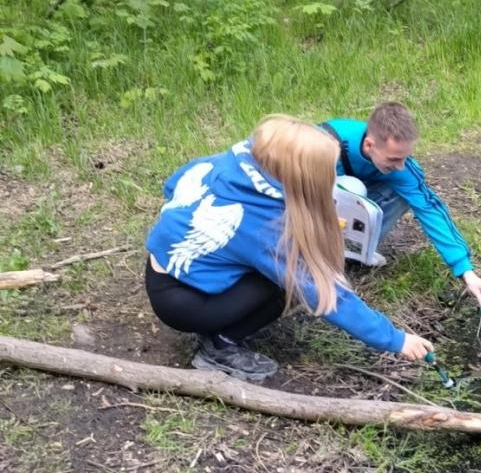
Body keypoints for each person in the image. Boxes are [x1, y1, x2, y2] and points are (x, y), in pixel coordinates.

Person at [145, 115, 433, 381]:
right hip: (183, 302)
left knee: (279, 267)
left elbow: (172, 187)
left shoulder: (225, 163)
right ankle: (221, 345)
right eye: (326, 173)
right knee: (289, 281)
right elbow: (324, 292)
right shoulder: (264, 228)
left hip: (162, 268)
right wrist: (395, 339)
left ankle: (222, 300)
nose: (331, 178)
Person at [321, 102, 481, 310]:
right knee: (352, 188)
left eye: (405, 158)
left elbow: (430, 209)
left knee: (404, 193)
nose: (400, 166)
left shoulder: (401, 168)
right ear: (369, 145)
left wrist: (466, 270)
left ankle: (359, 251)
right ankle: (322, 258)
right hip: (320, 195)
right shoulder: (326, 142)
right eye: (394, 159)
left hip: (351, 200)